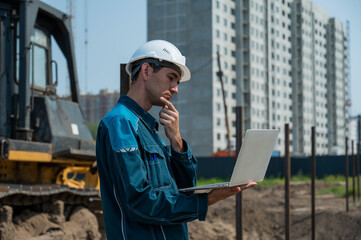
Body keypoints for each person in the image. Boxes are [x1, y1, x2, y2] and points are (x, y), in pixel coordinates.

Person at [96, 40, 256, 240]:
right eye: (171, 78)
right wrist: (206, 201)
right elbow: (137, 203)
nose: (175, 89)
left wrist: (177, 141)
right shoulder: (120, 123)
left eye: (177, 82)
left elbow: (182, 189)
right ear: (146, 71)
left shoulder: (149, 128)